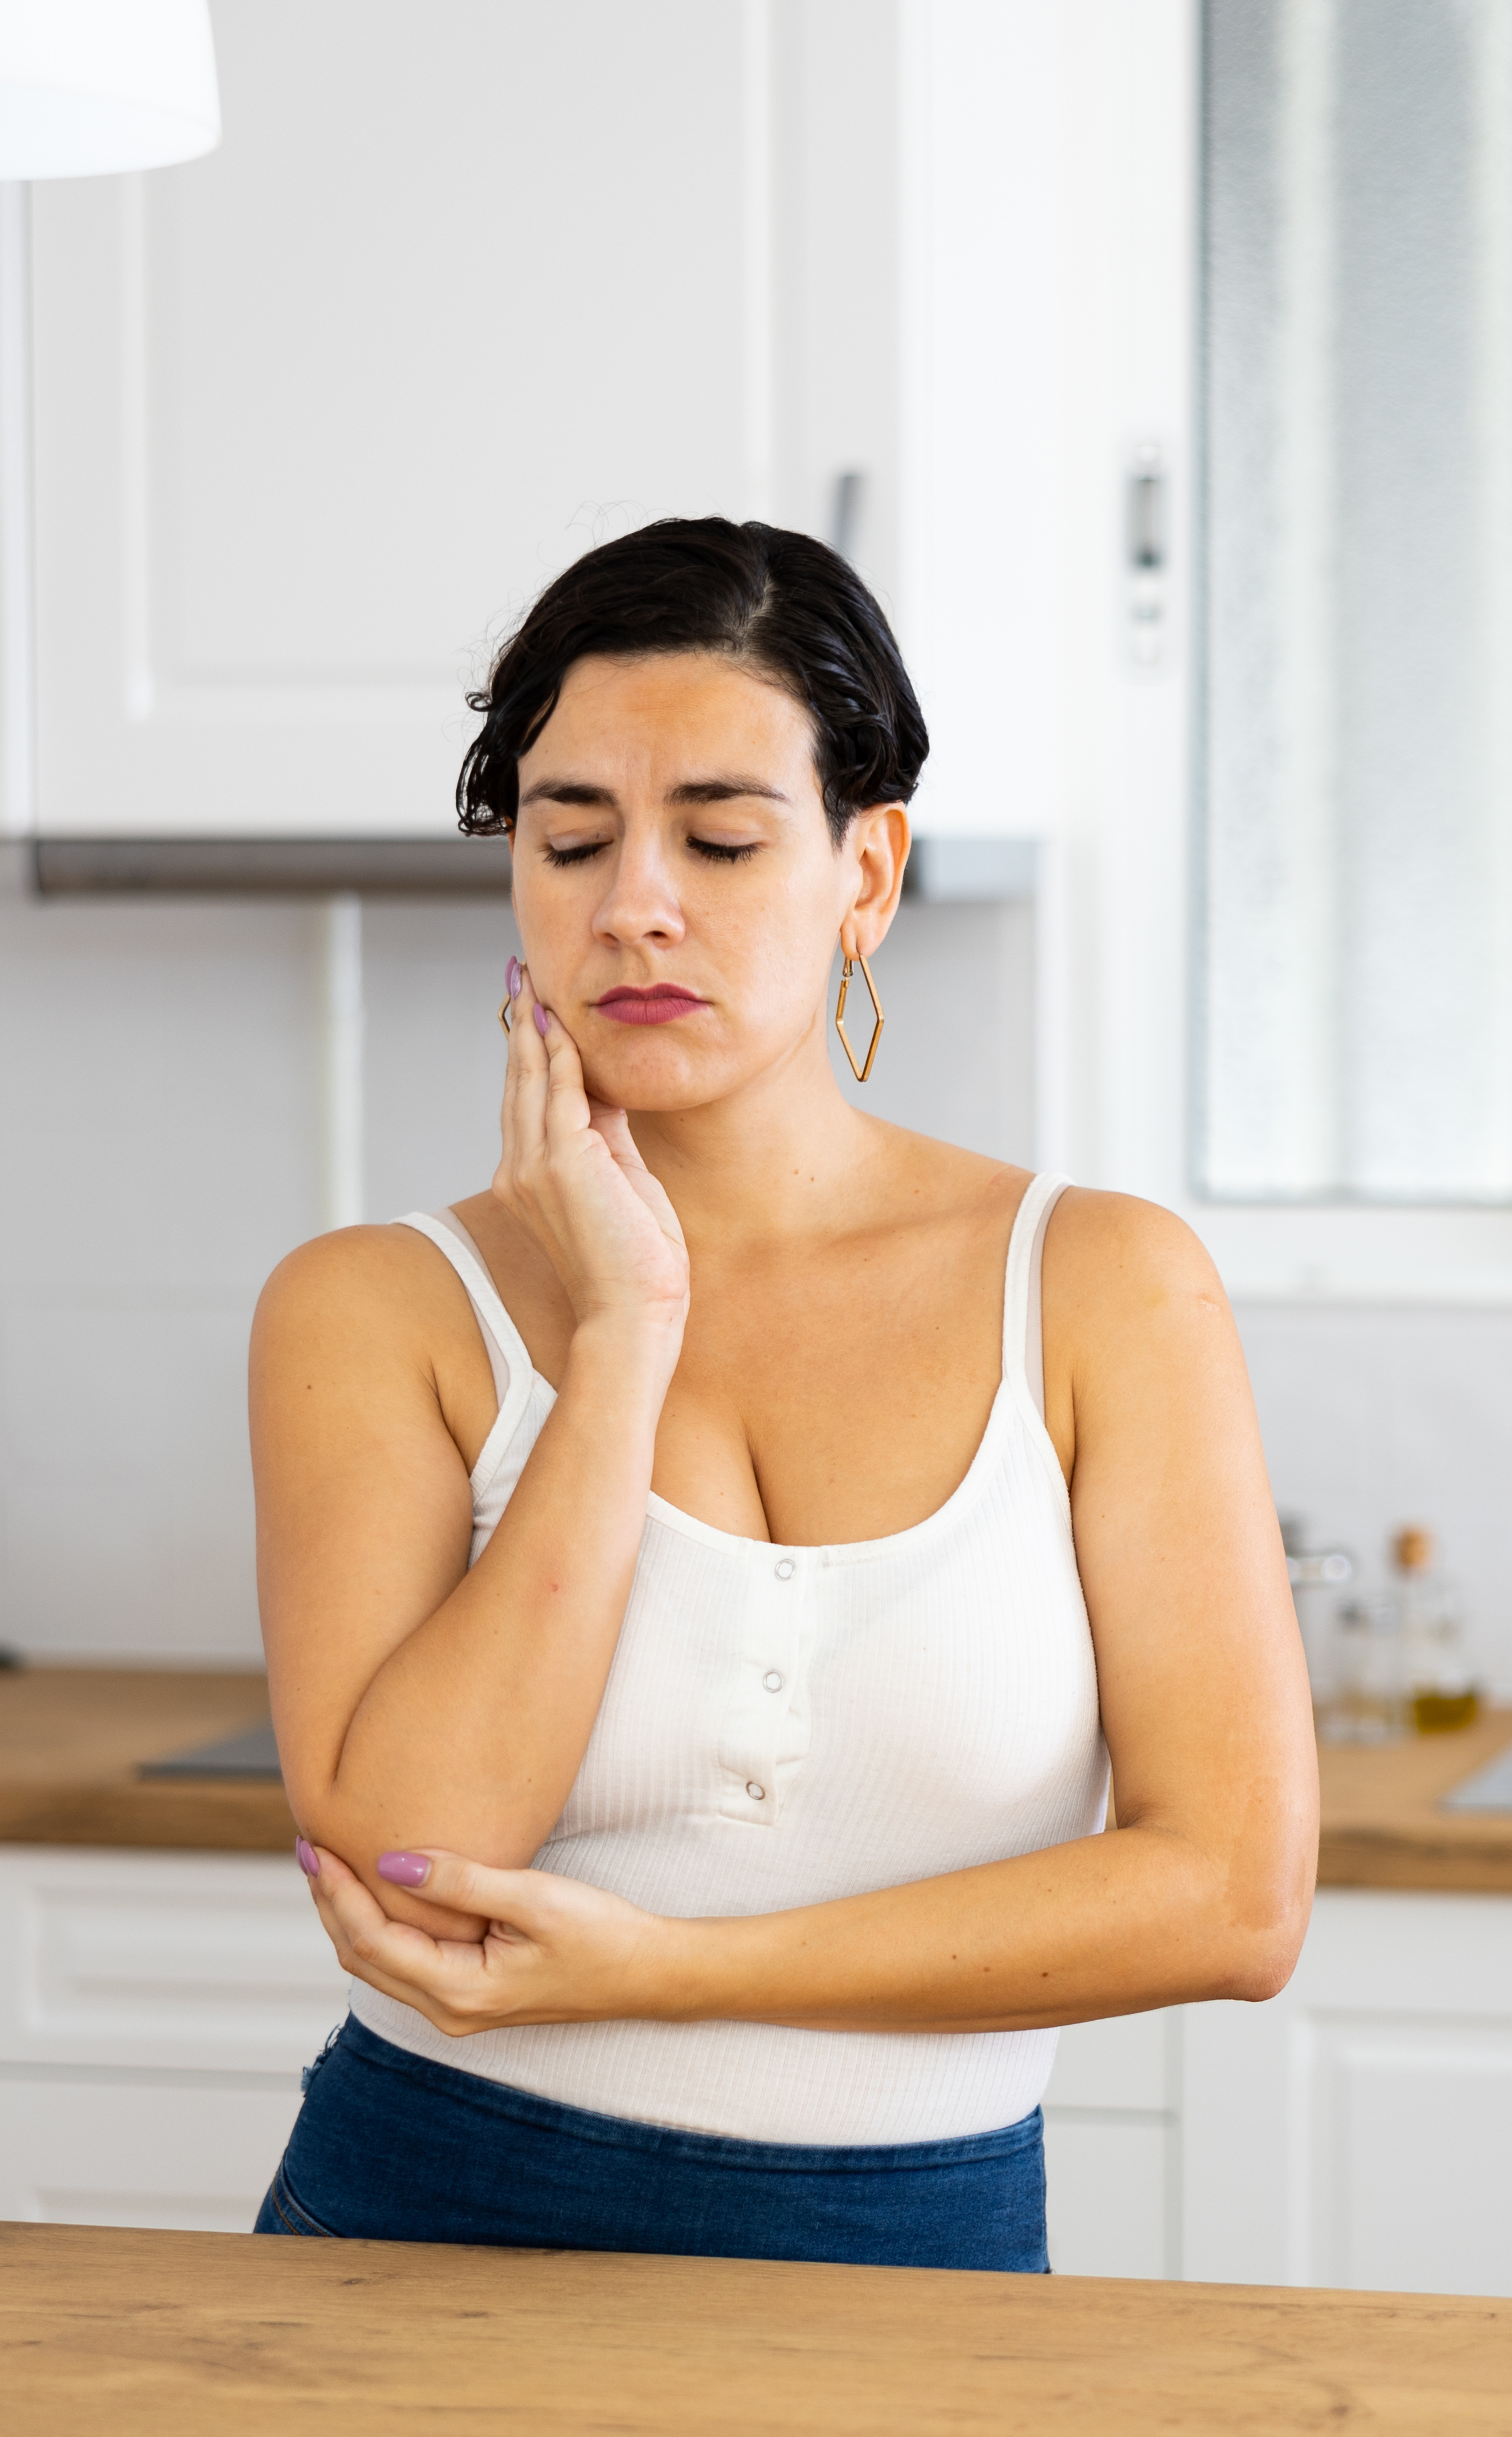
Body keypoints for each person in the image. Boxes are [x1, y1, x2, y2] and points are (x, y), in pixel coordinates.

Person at [245, 516, 1316, 2271]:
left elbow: (1235, 1896)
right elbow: (414, 1861)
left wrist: (676, 1974)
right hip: (420, 2238)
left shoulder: (1107, 1286)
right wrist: (622, 1336)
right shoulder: (373, 1310)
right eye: (570, 837)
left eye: (722, 838)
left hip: (921, 2257)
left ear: (866, 872)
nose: (633, 904)